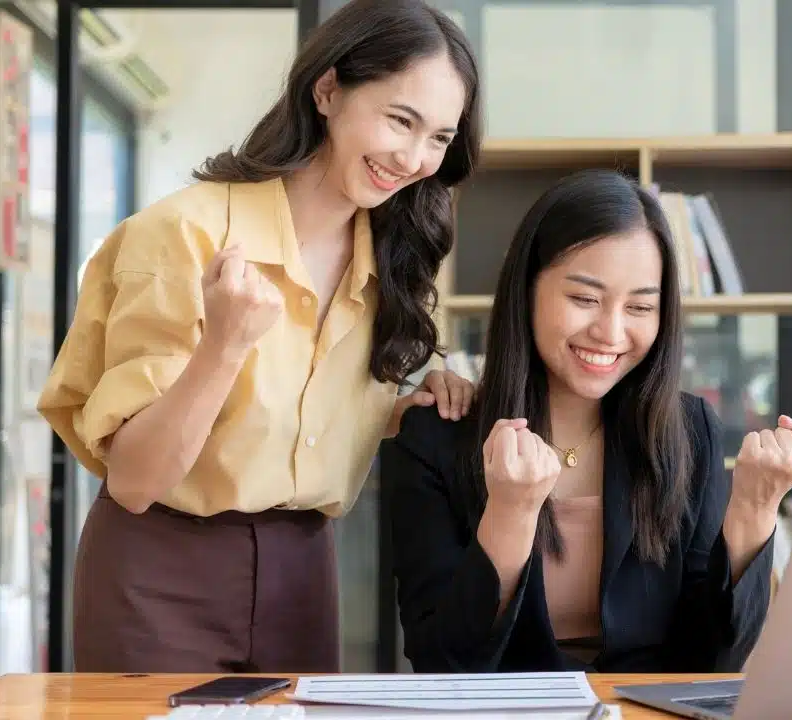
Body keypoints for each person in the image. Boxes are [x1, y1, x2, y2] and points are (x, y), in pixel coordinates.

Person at [36, 0, 482, 674]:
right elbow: (134, 481)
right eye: (400, 120)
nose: (415, 157)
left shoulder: (393, 258)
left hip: (303, 568)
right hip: (160, 571)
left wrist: (413, 403)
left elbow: (300, 415)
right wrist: (223, 347)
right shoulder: (182, 235)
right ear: (328, 90)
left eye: (440, 138)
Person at [385, 169, 792, 674]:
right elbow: (442, 664)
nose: (611, 332)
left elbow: (715, 660)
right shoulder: (438, 435)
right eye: (584, 299)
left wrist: (755, 508)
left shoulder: (686, 430)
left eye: (639, 306)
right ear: (527, 289)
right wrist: (509, 514)